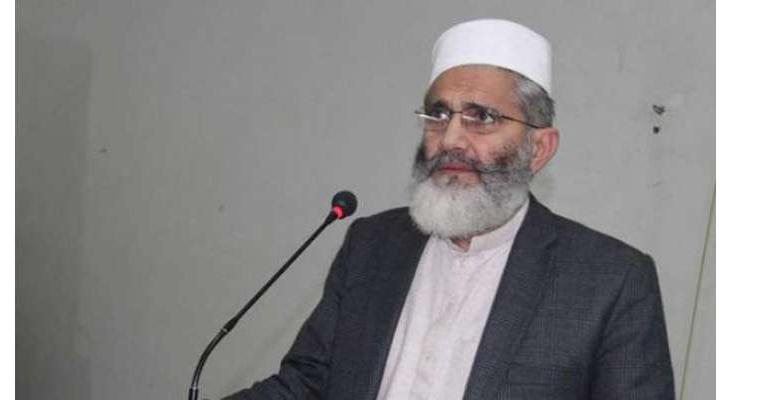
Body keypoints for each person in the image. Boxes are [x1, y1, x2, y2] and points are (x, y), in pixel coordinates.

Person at [225, 19, 674, 400]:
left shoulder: (611, 281)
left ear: (538, 148)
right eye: (438, 116)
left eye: (483, 118)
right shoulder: (372, 244)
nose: (452, 139)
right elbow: (308, 385)